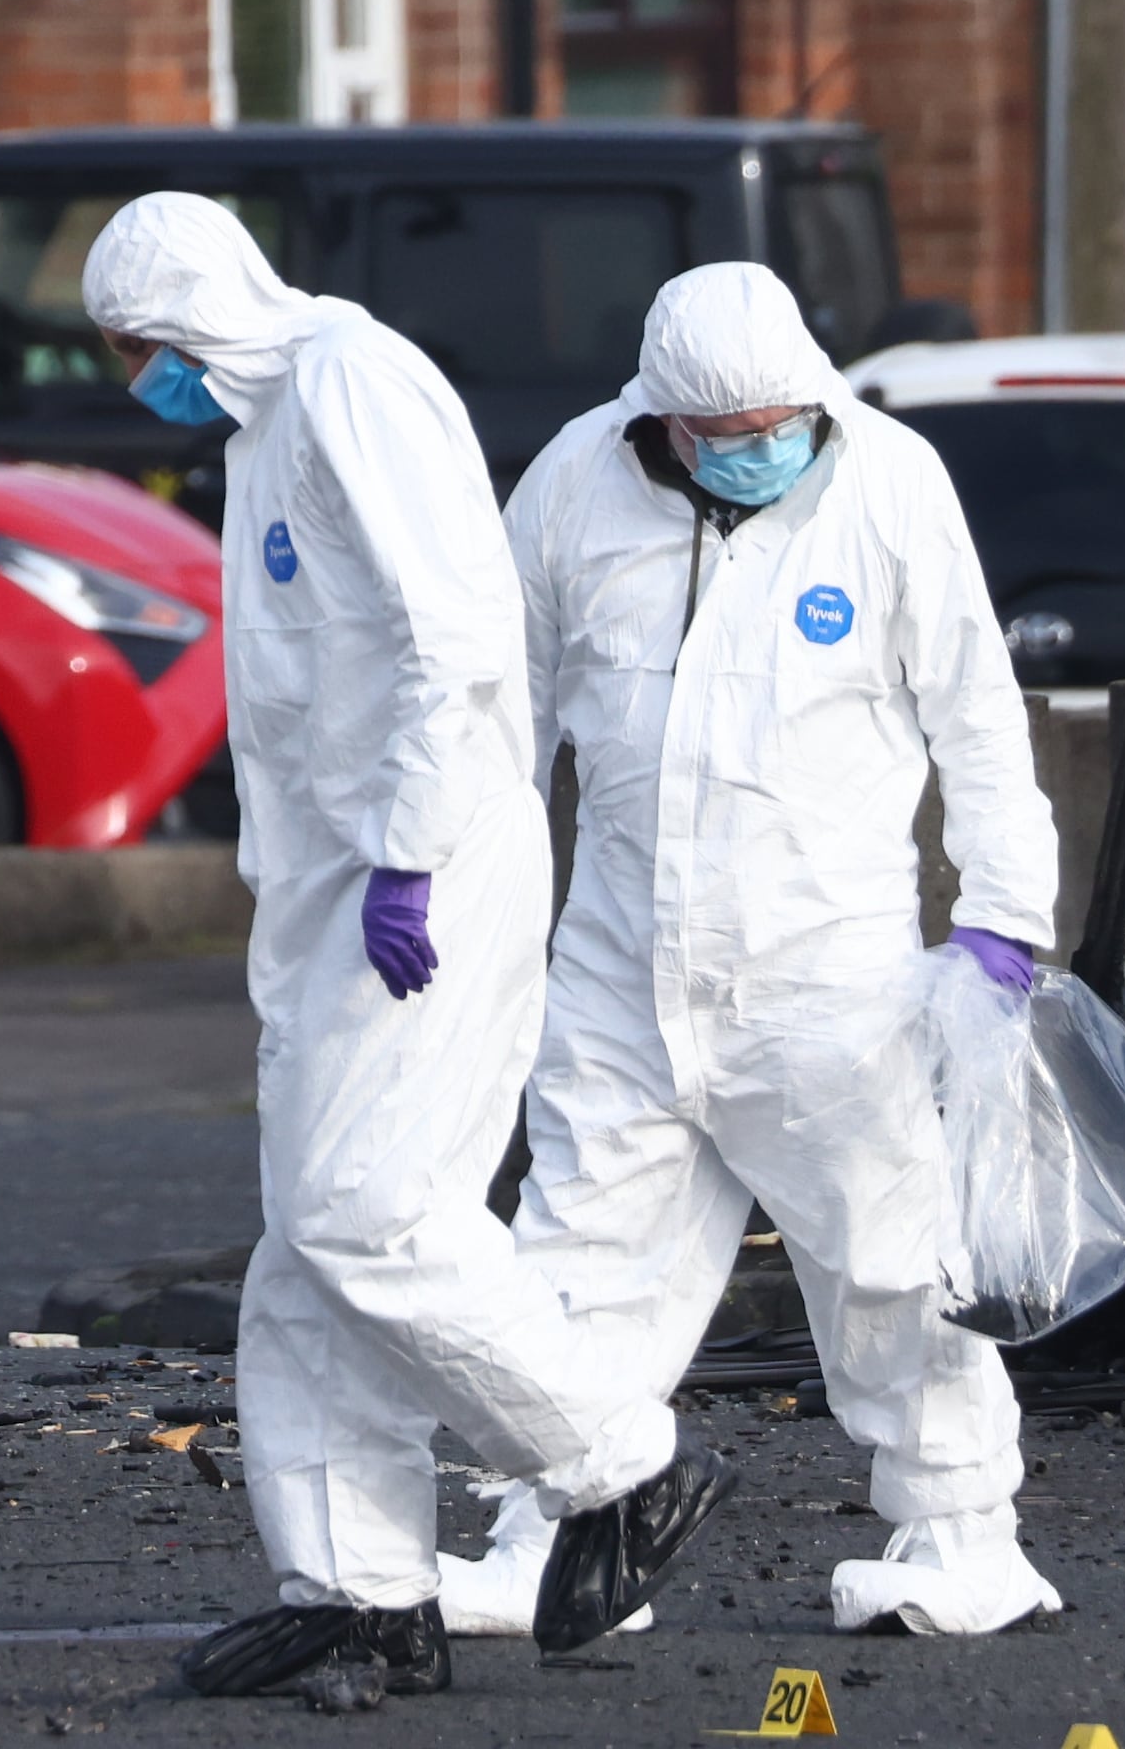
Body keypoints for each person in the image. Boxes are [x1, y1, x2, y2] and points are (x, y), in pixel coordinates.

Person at [79, 195, 736, 1694]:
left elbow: (453, 635)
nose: (141, 382)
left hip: (419, 872)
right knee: (309, 1248)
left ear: (186, 319)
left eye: (141, 352)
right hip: (340, 882)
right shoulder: (267, 424)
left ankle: (622, 1463)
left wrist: (407, 857)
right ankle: (360, 1588)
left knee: (371, 1212)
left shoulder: (349, 383)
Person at [446, 261, 1062, 1638]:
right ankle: (552, 1539)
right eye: (726, 435)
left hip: (830, 976)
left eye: (781, 421)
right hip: (619, 964)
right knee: (573, 1252)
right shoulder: (570, 486)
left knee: (893, 1261)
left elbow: (978, 711)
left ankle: (964, 1537)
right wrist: (456, 888)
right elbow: (501, 710)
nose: (760, 450)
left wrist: (1004, 921)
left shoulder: (889, 485)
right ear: (660, 418)